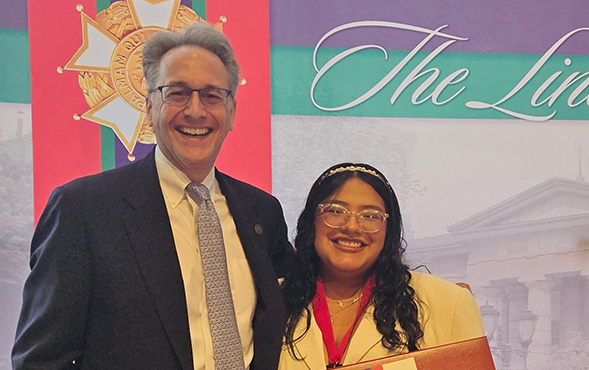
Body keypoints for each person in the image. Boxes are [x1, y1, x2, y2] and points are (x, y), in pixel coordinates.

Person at [12, 23, 293, 370]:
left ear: (231, 111)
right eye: (176, 93)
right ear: (149, 107)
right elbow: (41, 360)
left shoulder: (261, 213)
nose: (194, 110)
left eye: (211, 95)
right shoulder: (82, 210)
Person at [279, 163, 484, 369]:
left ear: (389, 229)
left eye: (370, 216)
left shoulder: (448, 303)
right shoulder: (272, 299)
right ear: (311, 221)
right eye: (335, 211)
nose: (351, 226)